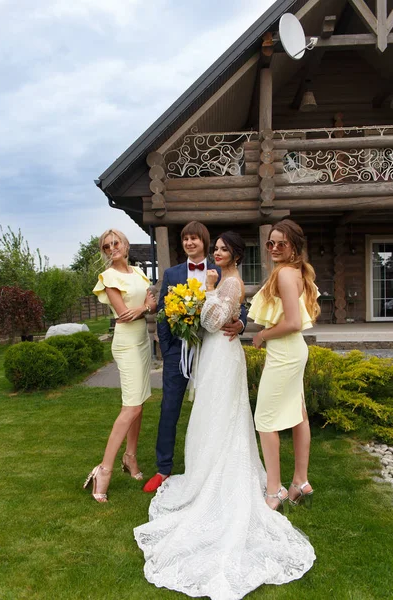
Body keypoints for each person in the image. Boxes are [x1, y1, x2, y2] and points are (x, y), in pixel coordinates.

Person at [134, 231, 315, 600]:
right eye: (214, 248)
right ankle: (280, 479)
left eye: (222, 249)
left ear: (233, 255)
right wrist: (200, 305)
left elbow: (215, 320)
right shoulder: (231, 280)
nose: (216, 252)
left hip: (224, 352)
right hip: (216, 355)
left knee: (232, 415)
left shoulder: (230, 281)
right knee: (210, 414)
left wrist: (206, 294)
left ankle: (267, 486)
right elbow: (217, 317)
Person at [143, 221, 247, 493]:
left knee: (212, 408)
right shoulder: (172, 273)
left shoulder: (220, 271)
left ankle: (210, 464)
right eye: (185, 239)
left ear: (204, 242)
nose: (190, 243)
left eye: (195, 239)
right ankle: (163, 468)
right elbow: (164, 313)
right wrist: (166, 350)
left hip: (213, 349)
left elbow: (238, 304)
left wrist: (241, 324)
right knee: (169, 409)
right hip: (179, 353)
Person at [249, 219, 320, 511]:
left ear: (294, 247)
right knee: (298, 414)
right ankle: (299, 482)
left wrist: (262, 335)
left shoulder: (286, 275)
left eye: (282, 243)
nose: (275, 248)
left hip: (285, 353)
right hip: (290, 352)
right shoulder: (294, 273)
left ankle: (274, 490)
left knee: (265, 420)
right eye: (271, 243)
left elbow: (292, 323)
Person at [83, 229, 157, 502]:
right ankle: (104, 469)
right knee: (131, 406)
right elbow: (124, 315)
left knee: (139, 403)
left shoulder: (138, 273)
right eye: (106, 246)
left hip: (143, 340)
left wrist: (148, 307)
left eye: (115, 243)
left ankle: (131, 457)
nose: (112, 248)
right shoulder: (109, 277)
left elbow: (151, 299)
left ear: (125, 245)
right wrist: (145, 309)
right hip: (126, 343)